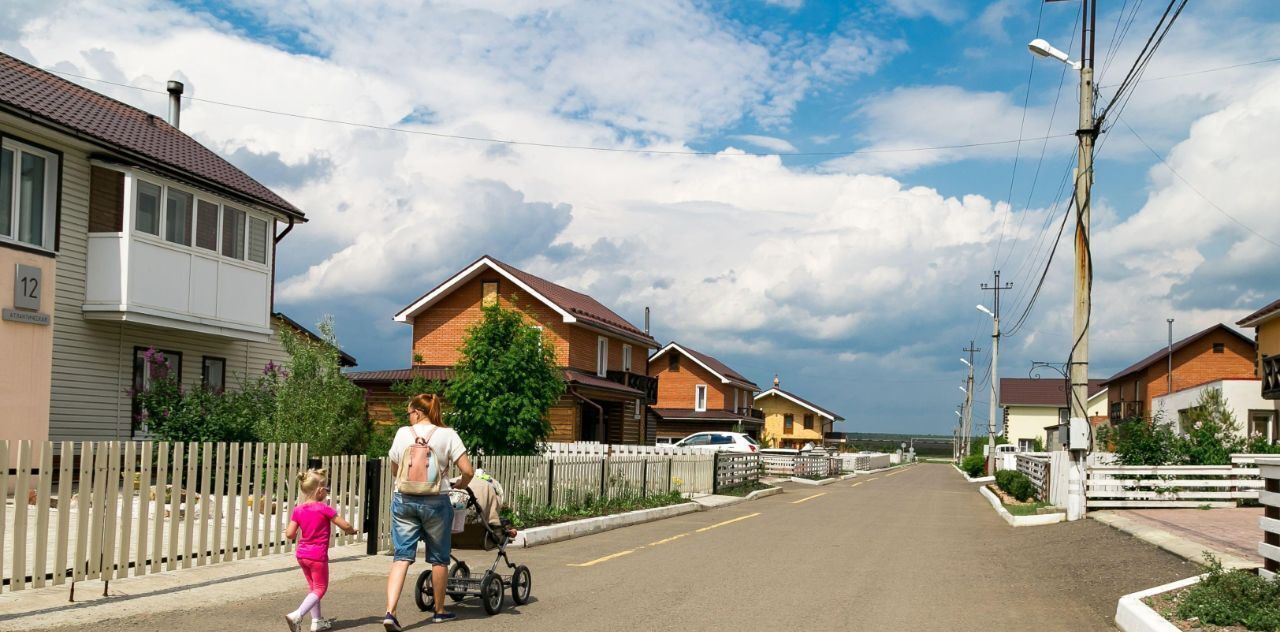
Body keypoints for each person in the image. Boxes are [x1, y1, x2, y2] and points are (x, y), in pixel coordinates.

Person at [382, 393, 474, 630]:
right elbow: (468, 471)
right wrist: (460, 485)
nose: (409, 416)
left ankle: (390, 612)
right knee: (439, 558)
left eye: (410, 412)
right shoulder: (448, 434)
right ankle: (439, 611)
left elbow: (395, 468)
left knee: (401, 557)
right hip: (436, 500)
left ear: (418, 412)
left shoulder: (403, 433)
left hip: (404, 499)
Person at [284, 468, 357, 632]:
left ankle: (317, 621)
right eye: (326, 488)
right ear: (320, 491)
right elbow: (344, 525)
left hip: (302, 554)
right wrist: (351, 530)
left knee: (313, 588)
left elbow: (289, 534)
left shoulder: (298, 509)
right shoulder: (324, 509)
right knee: (320, 588)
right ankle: (297, 615)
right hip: (317, 556)